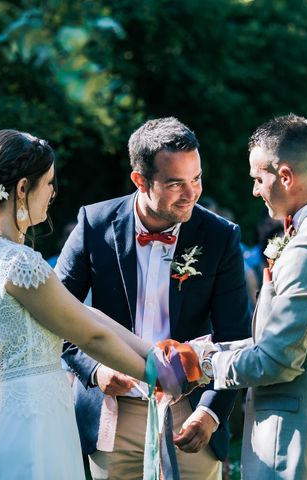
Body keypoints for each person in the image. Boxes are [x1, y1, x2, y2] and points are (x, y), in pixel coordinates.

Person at [55, 117, 251, 480]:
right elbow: (56, 315)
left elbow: (235, 337)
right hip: (112, 415)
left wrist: (209, 414)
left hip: (190, 411)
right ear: (140, 180)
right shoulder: (94, 224)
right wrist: (96, 370)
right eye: (176, 183)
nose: (191, 193)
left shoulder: (220, 237)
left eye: (196, 179)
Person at [0, 129, 152, 479]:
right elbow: (91, 336)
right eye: (48, 183)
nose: (53, 193)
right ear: (21, 189)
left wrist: (152, 352)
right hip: (35, 421)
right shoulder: (18, 262)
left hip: (0, 415)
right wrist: (155, 375)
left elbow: (85, 314)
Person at [189, 114, 307, 479]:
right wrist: (213, 348)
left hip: (298, 448)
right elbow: (282, 340)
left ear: (285, 176)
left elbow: (277, 360)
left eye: (259, 178)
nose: (255, 190)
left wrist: (204, 363)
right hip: (301, 438)